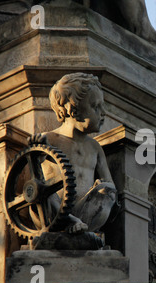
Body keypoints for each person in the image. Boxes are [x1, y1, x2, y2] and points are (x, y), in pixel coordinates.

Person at [30, 72, 117, 234]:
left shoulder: (95, 148)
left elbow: (110, 185)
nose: (103, 112)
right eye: (96, 106)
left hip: (85, 213)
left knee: (108, 189)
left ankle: (83, 228)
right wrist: (36, 151)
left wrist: (103, 189)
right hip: (52, 213)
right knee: (41, 189)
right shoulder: (49, 140)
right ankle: (70, 223)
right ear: (72, 109)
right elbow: (33, 174)